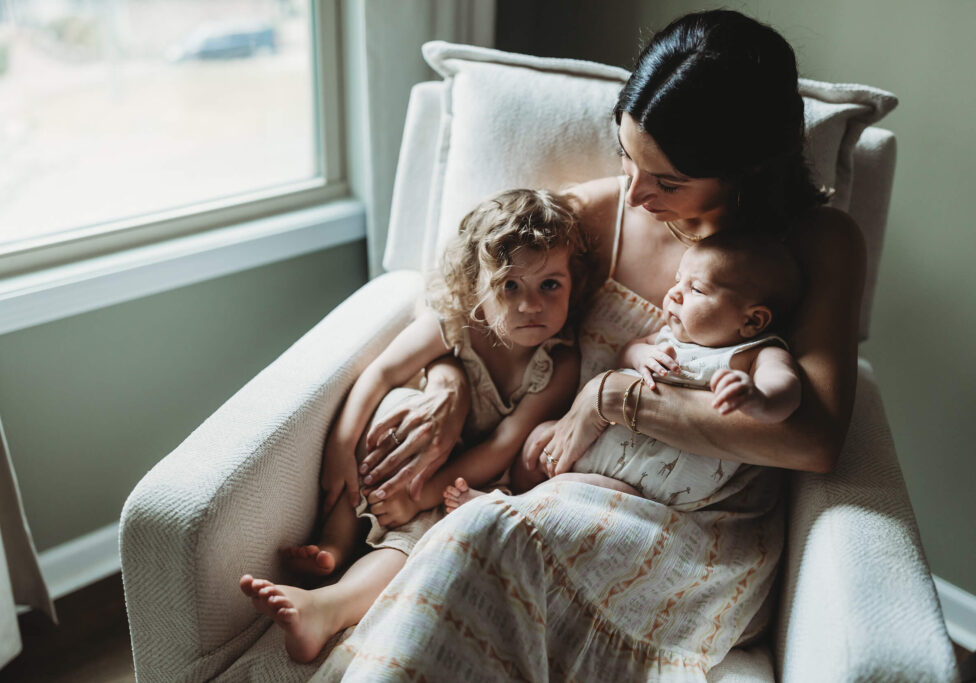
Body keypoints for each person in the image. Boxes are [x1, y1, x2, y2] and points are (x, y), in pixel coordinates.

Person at [317, 10, 866, 681]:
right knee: (483, 532)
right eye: (628, 158)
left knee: (488, 531)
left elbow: (811, 440)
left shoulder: (817, 245)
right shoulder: (599, 219)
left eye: (666, 180)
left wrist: (613, 398)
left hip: (699, 535)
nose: (638, 193)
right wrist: (447, 383)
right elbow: (468, 303)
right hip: (568, 488)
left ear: (745, 168)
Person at [239, 187, 598, 662]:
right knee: (393, 414)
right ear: (476, 288)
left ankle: (327, 606)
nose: (530, 305)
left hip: (475, 477)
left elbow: (505, 444)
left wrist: (421, 497)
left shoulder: (559, 362)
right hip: (417, 452)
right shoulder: (453, 324)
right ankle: (335, 542)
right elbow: (381, 373)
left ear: (573, 284)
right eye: (509, 286)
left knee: (431, 526)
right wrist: (340, 448)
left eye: (549, 285)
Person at [445, 231, 804, 512]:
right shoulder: (667, 336)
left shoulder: (754, 354)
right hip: (598, 446)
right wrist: (641, 354)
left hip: (644, 489)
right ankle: (512, 488)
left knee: (574, 493)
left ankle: (503, 506)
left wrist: (755, 397)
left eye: (695, 289)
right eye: (678, 281)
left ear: (752, 319)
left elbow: (786, 392)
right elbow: (628, 351)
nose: (674, 295)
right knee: (536, 442)